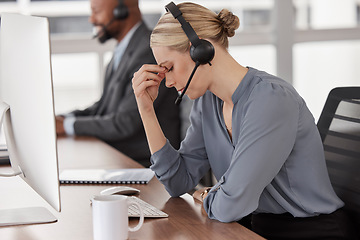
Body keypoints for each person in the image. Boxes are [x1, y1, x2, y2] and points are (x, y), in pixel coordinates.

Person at [131, 2, 357, 239]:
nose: (167, 83)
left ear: (200, 50)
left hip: (310, 232)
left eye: (170, 68)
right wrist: (147, 110)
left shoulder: (271, 99)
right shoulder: (208, 102)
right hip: (253, 227)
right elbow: (178, 182)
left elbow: (230, 206)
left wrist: (210, 194)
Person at [56, 0, 181, 167]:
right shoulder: (124, 49)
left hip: (142, 164)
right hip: (120, 158)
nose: (91, 19)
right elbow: (103, 107)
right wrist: (66, 118)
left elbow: (125, 122)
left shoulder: (149, 49)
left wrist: (66, 126)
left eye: (96, 11)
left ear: (122, 10)